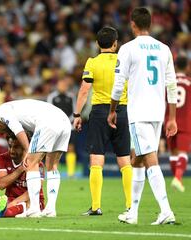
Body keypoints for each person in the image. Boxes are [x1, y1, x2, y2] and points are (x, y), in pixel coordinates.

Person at [107, 7, 178, 225]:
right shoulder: (164, 48)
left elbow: (119, 84)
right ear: (151, 23)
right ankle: (133, 212)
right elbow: (172, 84)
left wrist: (112, 110)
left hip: (139, 112)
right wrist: (172, 117)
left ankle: (166, 210)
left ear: (133, 24)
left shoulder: (128, 49)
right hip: (158, 112)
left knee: (148, 157)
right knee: (136, 158)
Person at [73, 27, 132, 216]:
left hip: (99, 113)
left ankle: (96, 206)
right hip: (121, 110)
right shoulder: (124, 61)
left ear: (97, 44)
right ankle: (131, 205)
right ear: (116, 44)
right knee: (124, 159)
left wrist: (77, 114)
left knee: (96, 159)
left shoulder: (92, 62)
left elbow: (84, 90)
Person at [0, 99, 71, 217]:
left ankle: (34, 208)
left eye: (1, 131)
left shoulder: (2, 112)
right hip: (64, 121)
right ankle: (50, 209)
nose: (4, 134)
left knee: (30, 164)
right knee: (52, 166)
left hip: (47, 122)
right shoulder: (16, 107)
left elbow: (18, 131)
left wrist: (28, 150)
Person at [165, 55, 191, 192]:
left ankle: (176, 178)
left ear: (175, 66)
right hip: (186, 121)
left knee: (173, 152)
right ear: (187, 67)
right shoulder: (189, 82)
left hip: (169, 119)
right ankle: (178, 178)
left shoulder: (169, 81)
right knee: (183, 152)